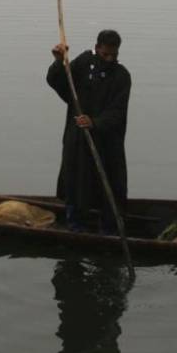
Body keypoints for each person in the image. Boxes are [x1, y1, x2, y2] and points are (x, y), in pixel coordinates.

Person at [46, 29, 131, 233]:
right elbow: (60, 84)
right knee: (76, 179)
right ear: (98, 48)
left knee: (109, 183)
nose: (109, 59)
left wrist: (95, 122)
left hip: (107, 142)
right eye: (105, 54)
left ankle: (109, 228)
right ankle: (74, 223)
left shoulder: (121, 76)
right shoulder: (84, 62)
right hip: (79, 138)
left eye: (114, 55)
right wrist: (59, 63)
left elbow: (118, 111)